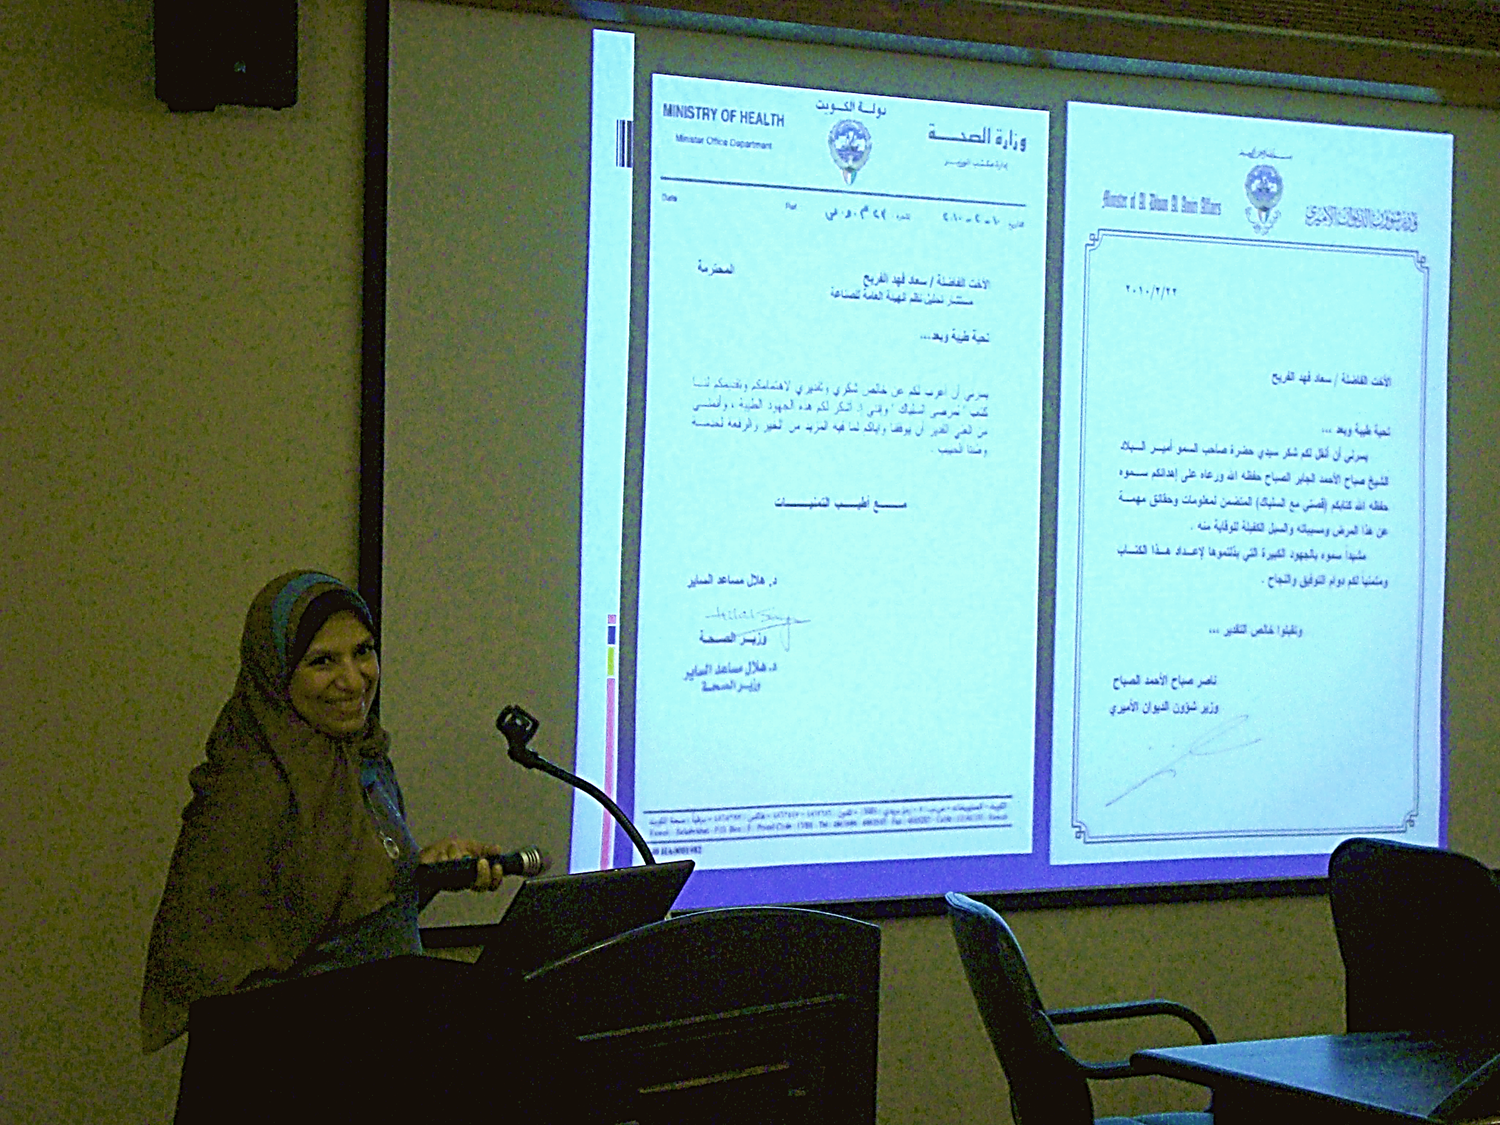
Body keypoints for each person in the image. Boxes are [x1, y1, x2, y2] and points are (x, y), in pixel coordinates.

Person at [140, 569, 508, 1053]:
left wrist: (423, 876)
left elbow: (340, 914)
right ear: (276, 673)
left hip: (386, 1049)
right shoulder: (247, 792)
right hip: (303, 1068)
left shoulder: (365, 760)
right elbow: (220, 981)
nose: (353, 679)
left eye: (363, 651)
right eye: (322, 661)